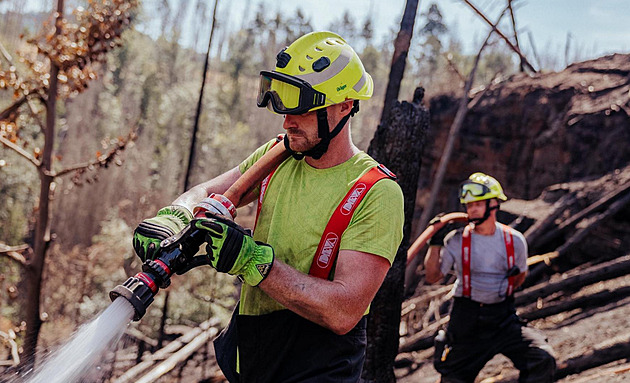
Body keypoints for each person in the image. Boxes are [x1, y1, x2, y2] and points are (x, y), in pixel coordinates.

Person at [132, 31, 404, 382]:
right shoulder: (281, 153)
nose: (287, 121)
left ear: (345, 105)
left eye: (302, 110)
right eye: (284, 108)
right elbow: (212, 191)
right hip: (254, 356)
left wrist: (252, 260)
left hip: (318, 367)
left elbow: (343, 311)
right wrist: (174, 215)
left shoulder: (376, 192)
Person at [424, 172, 556, 383]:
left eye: (477, 204)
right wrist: (435, 244)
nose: (471, 209)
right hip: (466, 320)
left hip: (502, 318)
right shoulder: (455, 240)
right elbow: (433, 276)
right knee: (452, 378)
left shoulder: (514, 241)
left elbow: (520, 276)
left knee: (542, 358)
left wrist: (498, 293)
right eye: (468, 205)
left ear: (494, 204)